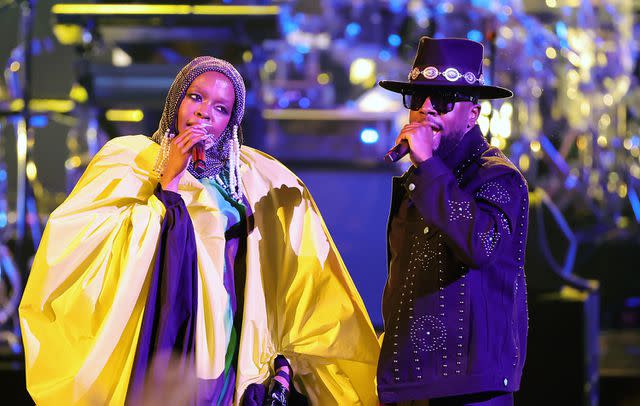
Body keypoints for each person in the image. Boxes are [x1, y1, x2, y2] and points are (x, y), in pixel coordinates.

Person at [19, 56, 380, 405]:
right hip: (163, 328)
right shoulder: (130, 159)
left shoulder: (252, 176)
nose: (205, 111)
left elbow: (293, 264)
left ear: (231, 123)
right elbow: (80, 248)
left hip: (229, 331)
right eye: (196, 97)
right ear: (177, 100)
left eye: (221, 108)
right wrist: (169, 186)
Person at [376, 37, 529, 405]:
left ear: (473, 114)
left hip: (470, 389)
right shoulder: (422, 178)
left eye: (443, 101)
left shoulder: (498, 178)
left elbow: (478, 246)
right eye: (417, 99)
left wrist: (428, 166)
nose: (426, 110)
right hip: (410, 383)